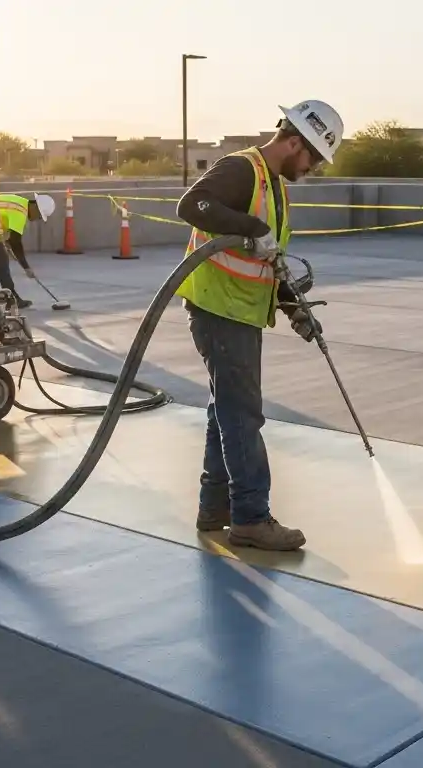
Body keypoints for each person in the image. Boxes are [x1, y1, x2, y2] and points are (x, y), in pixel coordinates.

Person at [173, 100, 345, 552]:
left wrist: (295, 309)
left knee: (225, 412)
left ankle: (215, 510)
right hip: (219, 310)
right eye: (310, 157)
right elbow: (192, 205)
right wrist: (249, 225)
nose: (310, 168)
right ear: (292, 142)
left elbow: (269, 261)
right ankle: (250, 517)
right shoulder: (242, 169)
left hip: (239, 312)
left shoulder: (276, 188)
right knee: (243, 415)